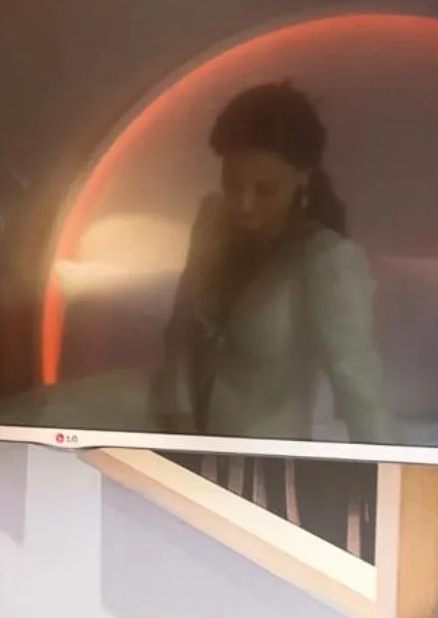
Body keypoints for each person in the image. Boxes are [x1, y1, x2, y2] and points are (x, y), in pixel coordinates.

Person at [154, 80, 391, 446]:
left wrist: (394, 473)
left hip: (256, 444)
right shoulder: (213, 220)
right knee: (49, 412)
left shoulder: (327, 261)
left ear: (302, 179)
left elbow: (358, 383)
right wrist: (178, 417)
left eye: (265, 190)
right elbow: (181, 328)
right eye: (233, 184)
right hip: (174, 420)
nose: (244, 205)